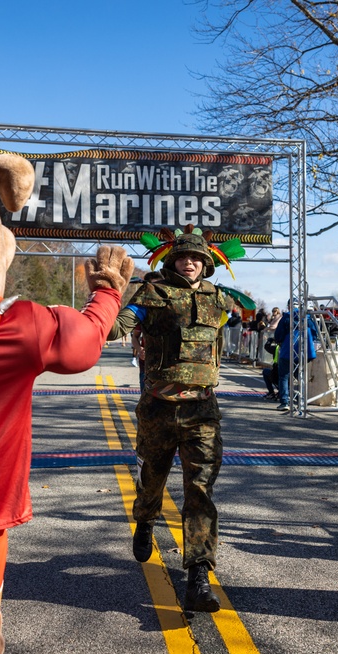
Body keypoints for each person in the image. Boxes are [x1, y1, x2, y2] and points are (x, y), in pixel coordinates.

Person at [107, 229, 228, 613]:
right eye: (181, 257)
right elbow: (118, 326)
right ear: (171, 261)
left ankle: (198, 577)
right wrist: (104, 305)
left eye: (195, 258)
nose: (188, 262)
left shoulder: (217, 299)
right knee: (152, 480)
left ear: (206, 264)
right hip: (159, 408)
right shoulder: (152, 295)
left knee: (200, 492)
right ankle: (145, 520)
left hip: (202, 411)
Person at [273, 303, 316, 411]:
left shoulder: (287, 317)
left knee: (284, 376)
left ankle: (285, 402)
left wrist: (279, 341)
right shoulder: (307, 317)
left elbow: (278, 334)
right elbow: (315, 333)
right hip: (304, 351)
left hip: (288, 350)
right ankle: (302, 400)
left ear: (289, 306)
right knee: (300, 375)